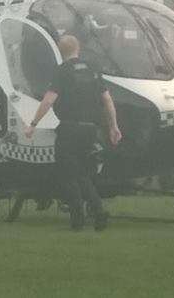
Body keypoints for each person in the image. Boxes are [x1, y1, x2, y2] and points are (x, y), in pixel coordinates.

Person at [25, 34, 122, 231]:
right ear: (78, 48)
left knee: (67, 175)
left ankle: (77, 218)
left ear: (60, 51)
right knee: (84, 174)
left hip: (69, 128)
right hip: (90, 129)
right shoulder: (92, 70)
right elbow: (107, 101)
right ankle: (98, 210)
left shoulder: (62, 71)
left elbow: (49, 100)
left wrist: (33, 123)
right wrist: (114, 126)